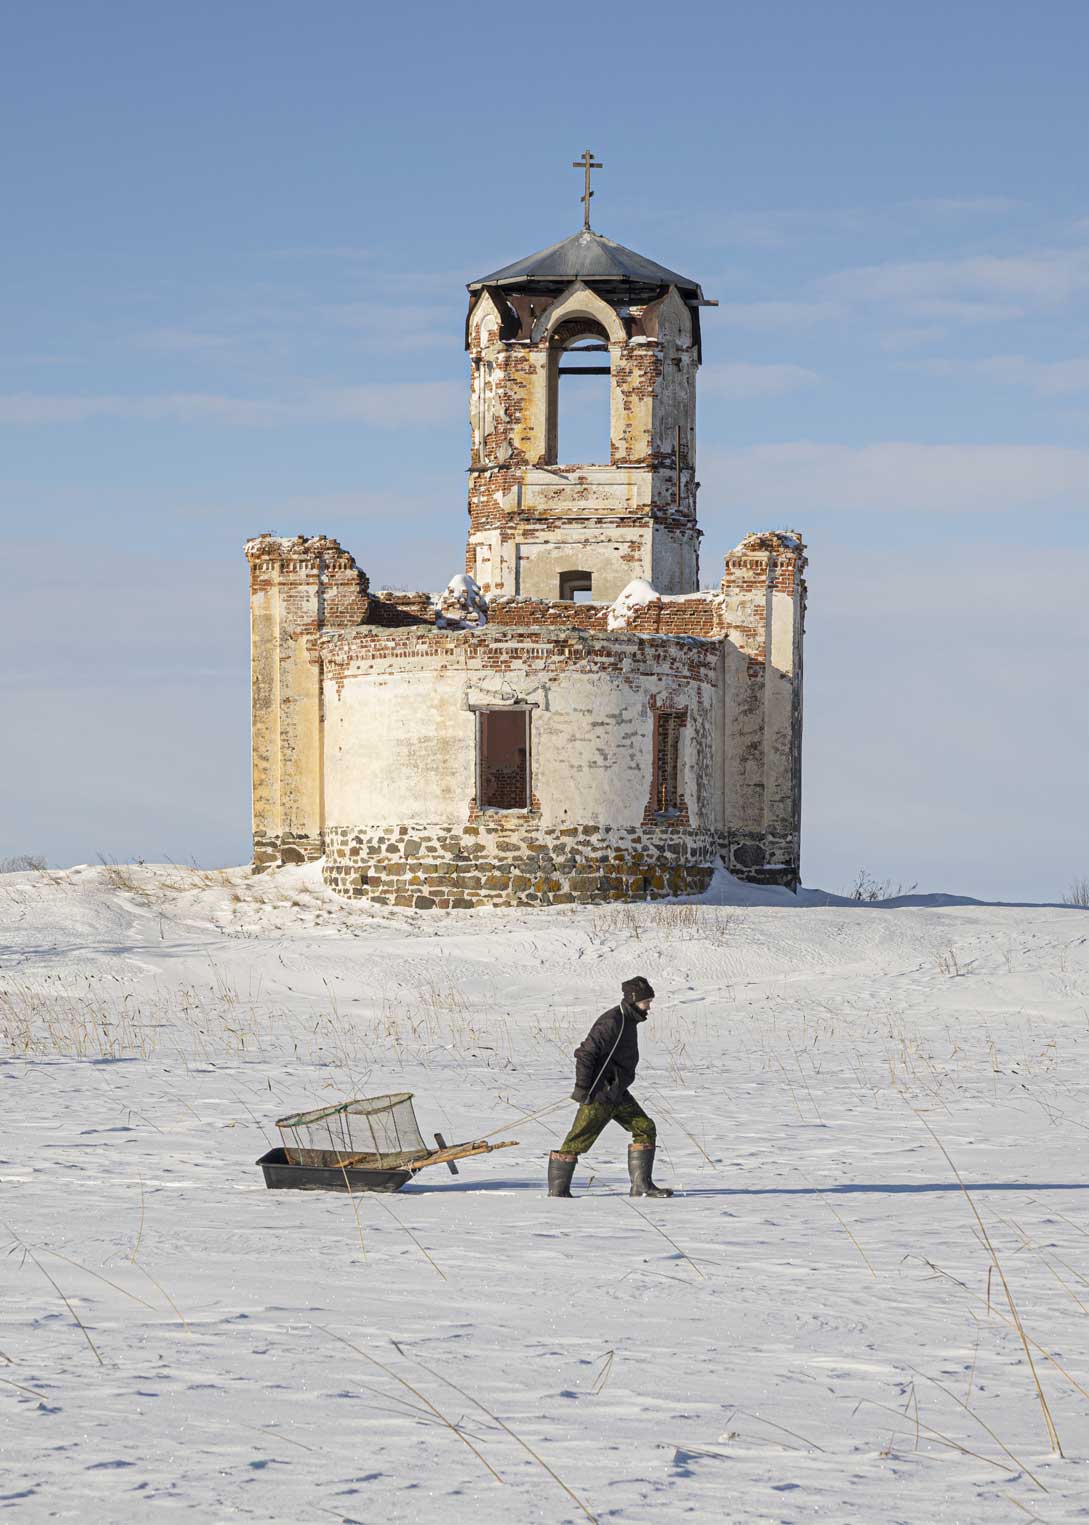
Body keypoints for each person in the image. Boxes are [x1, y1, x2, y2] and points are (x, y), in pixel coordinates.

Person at [547, 975, 673, 1199]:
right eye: (647, 1002)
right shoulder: (612, 1021)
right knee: (577, 1140)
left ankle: (641, 1187)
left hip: (618, 1094)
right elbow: (585, 1053)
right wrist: (583, 1088)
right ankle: (558, 1192)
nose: (650, 1006)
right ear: (634, 1000)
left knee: (645, 1127)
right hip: (601, 1094)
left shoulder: (628, 1019)